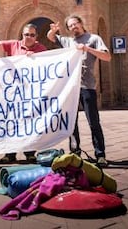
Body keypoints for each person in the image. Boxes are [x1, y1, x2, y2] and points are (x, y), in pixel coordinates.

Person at [47, 14, 111, 167]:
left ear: (81, 24)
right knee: (72, 123)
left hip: (87, 87)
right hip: (70, 89)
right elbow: (50, 37)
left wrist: (87, 48)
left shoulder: (93, 39)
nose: (73, 27)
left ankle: (100, 154)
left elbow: (107, 57)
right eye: (70, 26)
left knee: (93, 122)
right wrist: (53, 31)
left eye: (75, 24)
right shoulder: (68, 41)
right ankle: (75, 152)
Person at [0, 22, 47, 163]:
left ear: (36, 36)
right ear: (21, 35)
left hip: (31, 92)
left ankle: (30, 152)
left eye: (32, 35)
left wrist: (36, 58)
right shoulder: (14, 45)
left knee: (30, 122)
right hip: (13, 91)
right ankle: (9, 153)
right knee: (11, 122)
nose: (28, 37)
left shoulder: (41, 48)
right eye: (26, 34)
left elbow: (47, 65)